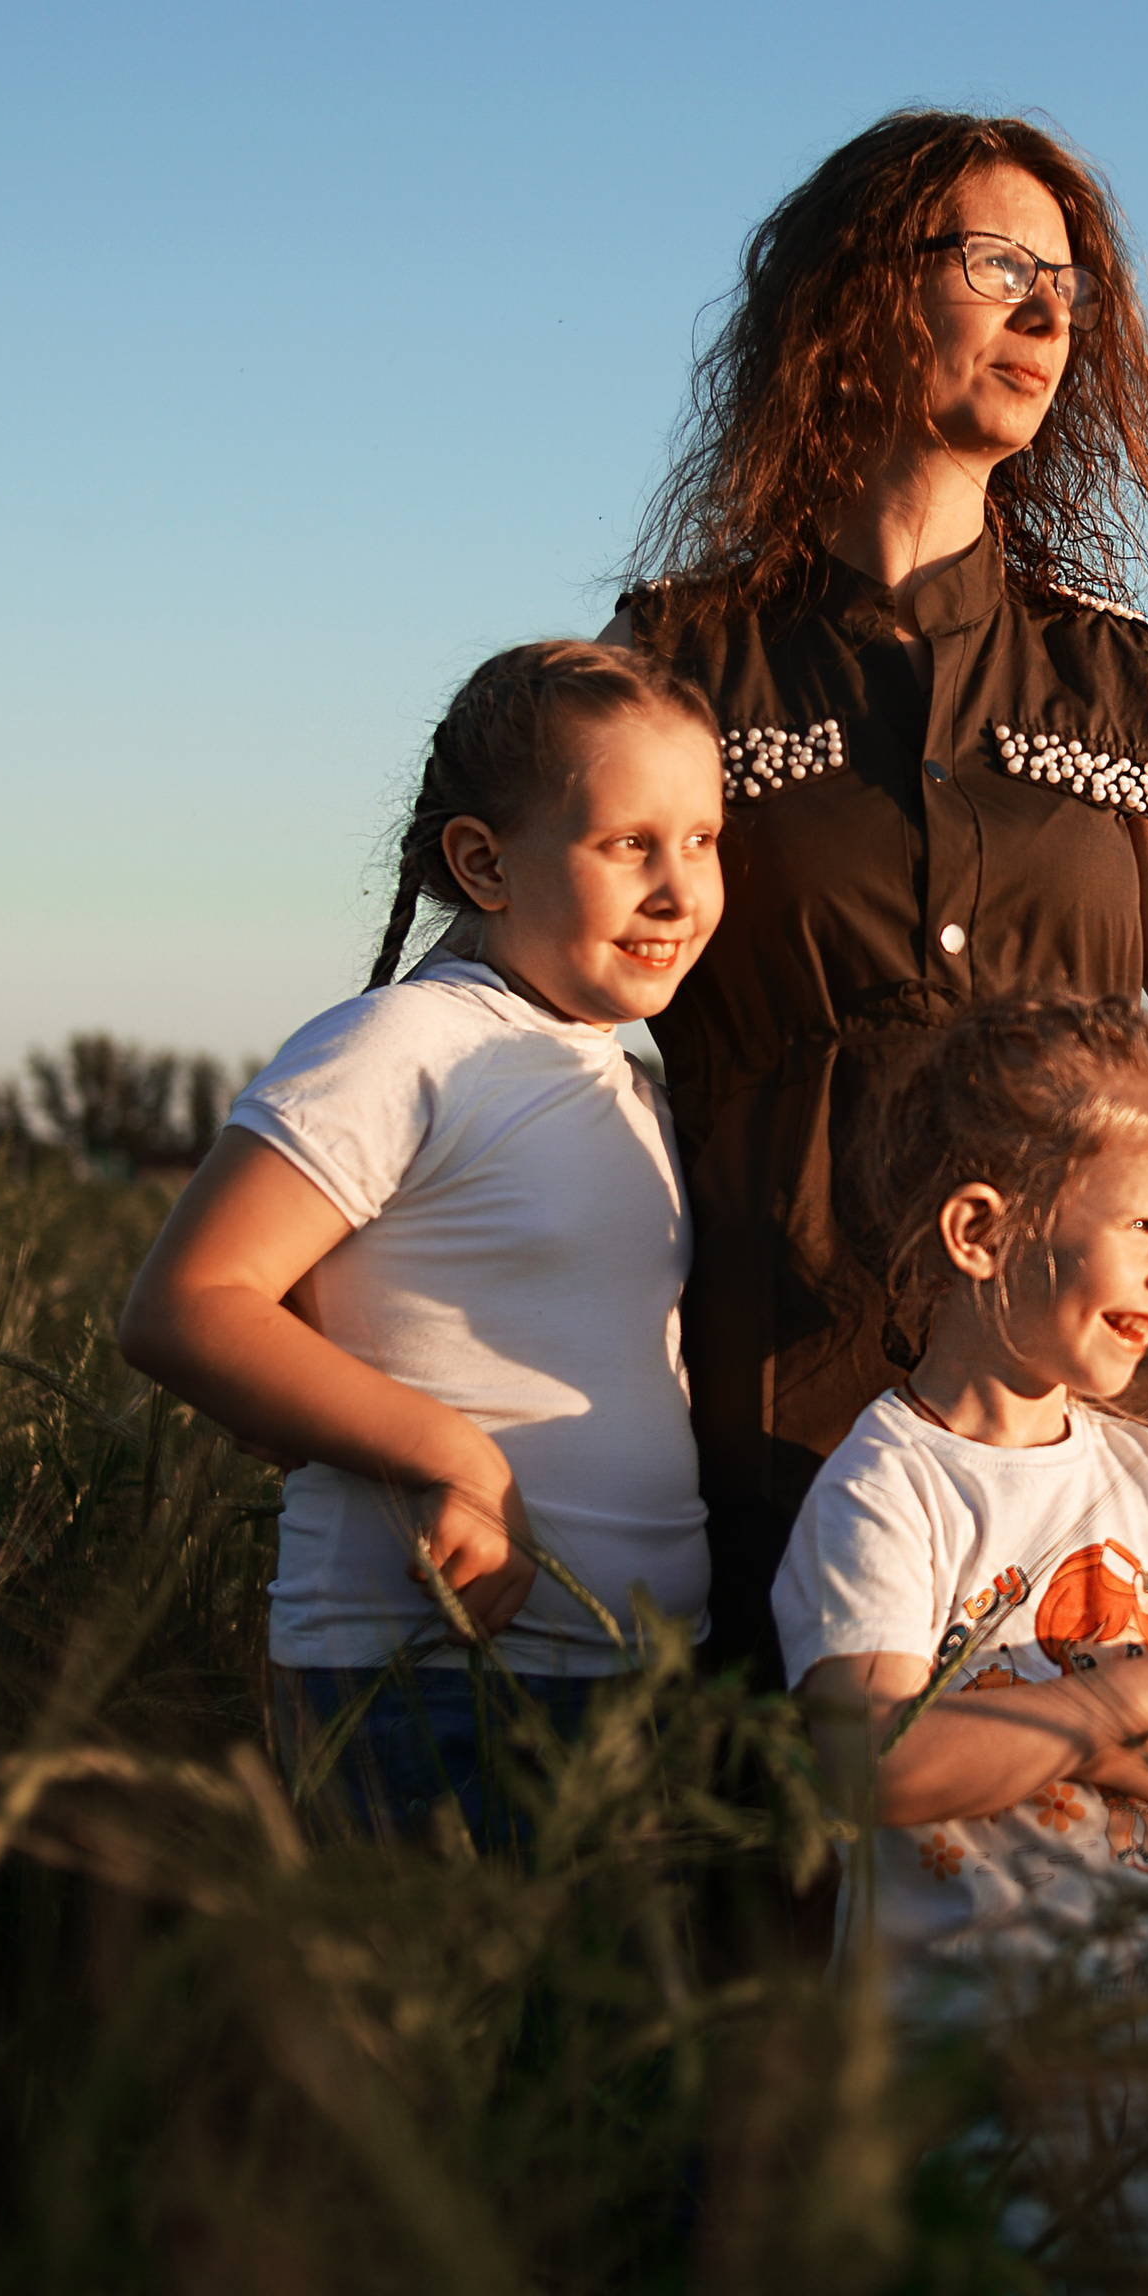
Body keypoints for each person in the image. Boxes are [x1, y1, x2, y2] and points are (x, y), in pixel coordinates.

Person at [607, 107, 1148, 1670]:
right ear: (863, 290)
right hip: (772, 1399)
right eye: (999, 262)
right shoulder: (677, 663)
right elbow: (530, 1004)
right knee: (809, 1873)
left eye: (1071, 284)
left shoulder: (1118, 681)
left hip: (1098, 1400)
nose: (1047, 313)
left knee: (1121, 1855)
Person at [119, 638, 724, 1845]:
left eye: (704, 841)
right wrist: (453, 1459)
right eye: (629, 846)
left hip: (625, 1684)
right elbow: (188, 1302)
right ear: (483, 863)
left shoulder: (619, 1077)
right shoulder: (402, 1047)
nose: (680, 891)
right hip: (435, 1680)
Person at [774, 993, 1148, 2070]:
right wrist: (1129, 1708)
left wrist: (1022, 1741)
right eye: (1144, 1225)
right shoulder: (886, 1489)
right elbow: (878, 1765)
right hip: (952, 2037)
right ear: (982, 1232)